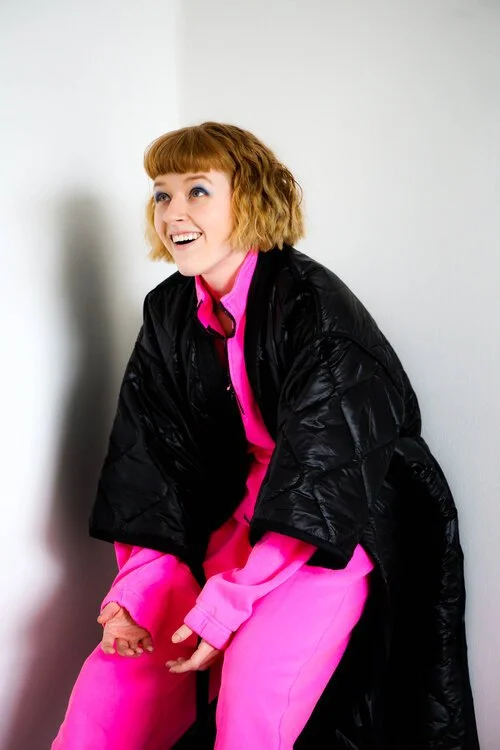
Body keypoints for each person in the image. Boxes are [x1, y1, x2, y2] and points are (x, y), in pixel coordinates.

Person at [52, 122, 479, 750]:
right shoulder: (169, 311)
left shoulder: (315, 308)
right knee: (114, 680)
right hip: (236, 517)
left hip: (331, 532)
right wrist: (136, 587)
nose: (172, 212)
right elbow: (150, 457)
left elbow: (326, 472)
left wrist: (227, 604)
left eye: (197, 190)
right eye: (162, 194)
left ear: (250, 197)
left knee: (254, 688)